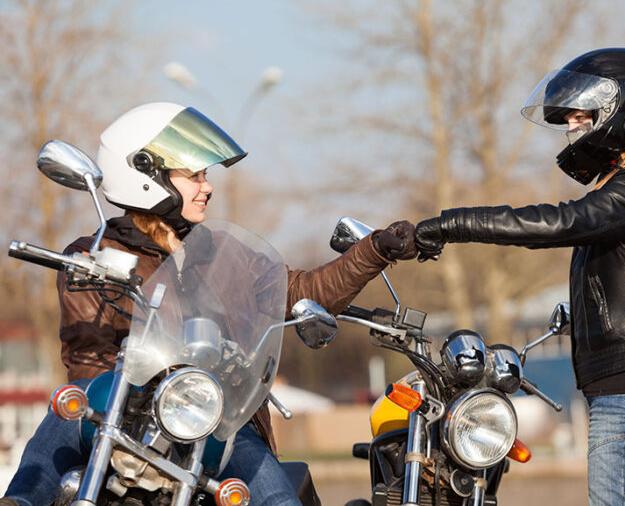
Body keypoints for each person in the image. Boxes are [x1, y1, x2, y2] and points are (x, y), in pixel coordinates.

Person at [1, 102, 417, 506]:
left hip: (215, 420)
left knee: (278, 497)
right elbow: (87, 358)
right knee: (69, 403)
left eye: (206, 174)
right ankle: (20, 499)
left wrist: (375, 249)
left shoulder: (227, 252)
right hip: (126, 415)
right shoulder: (94, 255)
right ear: (146, 173)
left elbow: (299, 292)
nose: (208, 186)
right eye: (195, 174)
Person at [413, 48, 625, 505]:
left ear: (615, 109)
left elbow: (559, 222)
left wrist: (452, 224)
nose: (570, 128)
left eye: (577, 116)